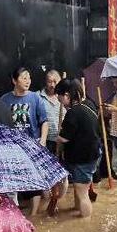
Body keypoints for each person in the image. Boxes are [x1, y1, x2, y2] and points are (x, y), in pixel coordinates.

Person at [0, 67, 49, 216]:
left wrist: (43, 140)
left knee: (34, 181)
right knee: (12, 180)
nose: (28, 81)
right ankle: (15, 214)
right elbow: (0, 124)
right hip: (11, 148)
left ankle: (33, 216)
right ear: (14, 80)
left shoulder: (35, 98)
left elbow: (44, 121)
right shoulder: (4, 99)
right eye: (24, 78)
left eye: (29, 77)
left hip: (32, 145)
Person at [56, 79, 102, 218]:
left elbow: (64, 138)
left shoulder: (73, 113)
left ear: (66, 95)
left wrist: (57, 137)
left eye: (60, 99)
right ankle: (78, 211)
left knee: (82, 194)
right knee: (78, 187)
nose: (61, 103)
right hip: (93, 154)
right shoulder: (89, 104)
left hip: (83, 159)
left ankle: (85, 225)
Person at [39, 70, 69, 205]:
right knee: (46, 172)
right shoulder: (38, 97)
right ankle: (48, 200)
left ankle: (58, 200)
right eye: (49, 81)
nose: (52, 85)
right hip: (46, 141)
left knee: (62, 172)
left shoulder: (65, 97)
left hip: (62, 141)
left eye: (55, 82)